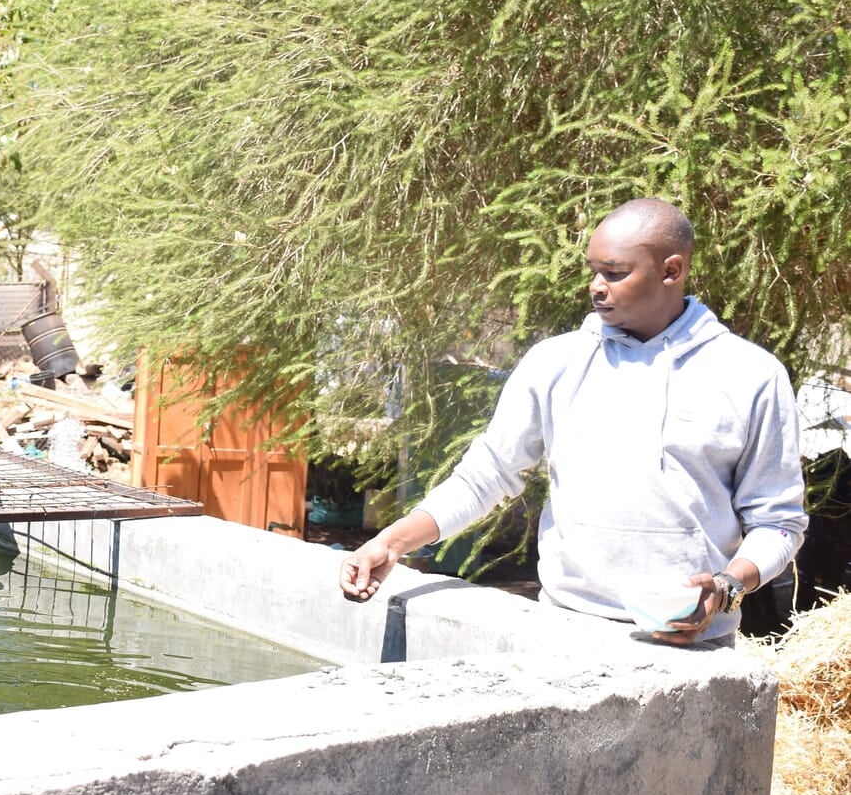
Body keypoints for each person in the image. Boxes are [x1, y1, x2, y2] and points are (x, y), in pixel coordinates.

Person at [339, 198, 807, 645]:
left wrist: (726, 587)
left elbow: (779, 523)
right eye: (594, 271)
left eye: (615, 273)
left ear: (671, 270)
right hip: (562, 629)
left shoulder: (751, 376)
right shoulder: (556, 362)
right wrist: (392, 542)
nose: (596, 286)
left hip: (693, 644)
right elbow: (486, 475)